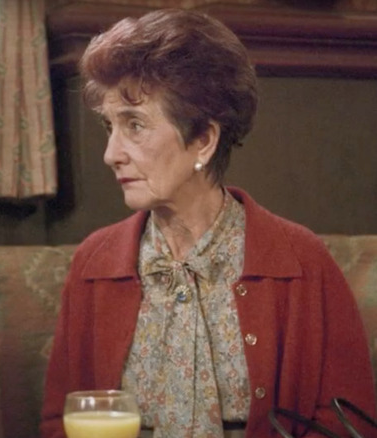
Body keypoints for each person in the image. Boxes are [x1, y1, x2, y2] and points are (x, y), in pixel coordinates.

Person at [40, 8, 376, 438]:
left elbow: (348, 424)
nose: (111, 153)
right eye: (110, 126)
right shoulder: (94, 264)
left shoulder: (302, 262)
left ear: (203, 139)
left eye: (135, 125)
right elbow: (59, 423)